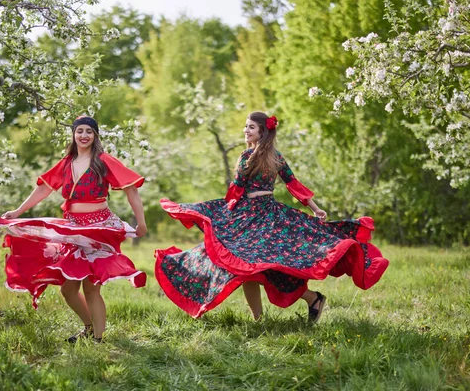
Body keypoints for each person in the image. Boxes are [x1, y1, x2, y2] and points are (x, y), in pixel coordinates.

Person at [155, 112, 389, 322]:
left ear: (262, 132)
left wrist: (315, 210)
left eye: (251, 128)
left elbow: (241, 189)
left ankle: (301, 303)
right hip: (260, 214)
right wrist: (314, 208)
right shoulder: (274, 156)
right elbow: (293, 185)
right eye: (245, 126)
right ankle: (280, 311)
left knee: (250, 266)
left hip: (259, 216)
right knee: (249, 268)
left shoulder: (250, 156)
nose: (246, 131)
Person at [0, 116, 147, 343]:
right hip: (73, 229)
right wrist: (18, 212)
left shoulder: (104, 160)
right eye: (79, 131)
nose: (84, 135)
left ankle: (98, 340)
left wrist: (141, 223)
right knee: (68, 290)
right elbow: (43, 189)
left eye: (89, 131)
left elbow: (132, 191)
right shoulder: (67, 163)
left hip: (98, 230)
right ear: (73, 134)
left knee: (91, 289)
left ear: (95, 135)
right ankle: (89, 329)